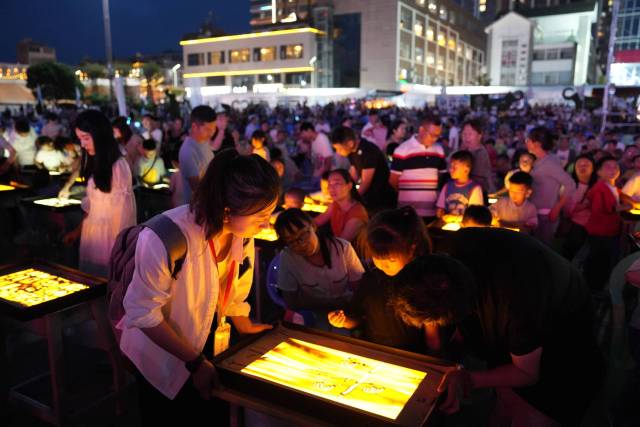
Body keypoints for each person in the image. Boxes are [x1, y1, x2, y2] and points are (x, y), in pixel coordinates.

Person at [119, 150, 278, 425]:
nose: (266, 224)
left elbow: (233, 289)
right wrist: (194, 362)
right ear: (226, 211)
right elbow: (143, 313)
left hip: (209, 343)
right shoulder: (165, 237)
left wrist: (246, 326)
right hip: (162, 354)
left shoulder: (242, 233)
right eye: (260, 216)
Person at [391, 229, 603, 426]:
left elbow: (526, 373)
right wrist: (439, 355)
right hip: (524, 297)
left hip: (564, 332)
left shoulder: (518, 305)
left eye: (434, 322)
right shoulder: (444, 256)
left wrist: (468, 379)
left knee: (527, 415)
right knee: (502, 402)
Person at [328, 207, 431, 352]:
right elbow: (358, 316)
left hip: (411, 354)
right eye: (377, 257)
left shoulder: (423, 282)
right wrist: (344, 320)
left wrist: (433, 355)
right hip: (374, 350)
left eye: (391, 259)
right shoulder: (372, 279)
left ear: (411, 249)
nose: (383, 265)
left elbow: (432, 332)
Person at [60, 110, 137, 277]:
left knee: (104, 283)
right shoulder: (98, 162)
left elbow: (124, 216)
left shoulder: (118, 167)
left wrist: (120, 255)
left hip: (109, 242)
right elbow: (92, 209)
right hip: (92, 236)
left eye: (86, 138)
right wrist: (77, 232)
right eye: (80, 139)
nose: (82, 144)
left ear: (100, 135)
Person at [274, 209, 364, 330]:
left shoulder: (342, 248)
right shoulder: (288, 257)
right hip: (312, 314)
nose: (301, 244)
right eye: (291, 241)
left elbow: (359, 290)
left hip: (344, 311)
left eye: (303, 235)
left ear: (313, 226)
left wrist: (348, 315)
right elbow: (291, 301)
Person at [390, 114, 446, 221]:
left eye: (438, 136)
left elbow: (441, 178)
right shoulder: (402, 150)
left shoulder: (439, 150)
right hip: (407, 212)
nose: (435, 139)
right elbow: (393, 181)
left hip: (431, 212)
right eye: (432, 135)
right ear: (421, 130)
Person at [526, 126, 576, 245]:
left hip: (545, 214)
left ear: (536, 144)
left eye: (528, 140)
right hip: (536, 211)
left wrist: (557, 208)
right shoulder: (542, 160)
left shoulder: (549, 163)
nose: (526, 142)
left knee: (542, 248)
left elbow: (570, 184)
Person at [584, 156, 626, 291]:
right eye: (608, 167)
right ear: (599, 172)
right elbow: (606, 208)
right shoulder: (600, 188)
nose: (613, 170)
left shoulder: (612, 187)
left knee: (602, 259)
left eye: (615, 167)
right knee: (600, 260)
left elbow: (622, 197)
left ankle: (596, 285)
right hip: (601, 231)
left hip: (609, 230)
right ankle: (594, 287)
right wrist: (627, 206)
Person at [331, 126, 396, 213]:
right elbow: (353, 176)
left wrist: (349, 200)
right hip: (369, 198)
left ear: (350, 143)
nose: (338, 152)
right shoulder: (351, 152)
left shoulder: (368, 151)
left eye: (339, 149)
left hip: (381, 199)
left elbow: (365, 183)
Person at [314, 169, 368, 245]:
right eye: (329, 184)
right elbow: (316, 222)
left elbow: (341, 243)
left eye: (337, 184)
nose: (331, 188)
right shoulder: (335, 205)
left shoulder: (357, 214)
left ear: (349, 186)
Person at [179, 106, 217, 204]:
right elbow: (198, 188)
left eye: (214, 128)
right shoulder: (188, 151)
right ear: (194, 126)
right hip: (198, 207)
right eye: (208, 129)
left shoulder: (204, 142)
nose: (212, 133)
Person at [562, 155, 597, 262]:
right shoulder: (569, 185)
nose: (583, 167)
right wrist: (585, 205)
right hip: (576, 225)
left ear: (593, 168)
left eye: (586, 165)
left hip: (595, 226)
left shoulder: (598, 185)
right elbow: (568, 211)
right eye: (579, 165)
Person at [436, 150, 483, 218]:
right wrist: (440, 213)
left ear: (466, 170)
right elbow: (440, 210)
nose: (450, 170)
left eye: (454, 168)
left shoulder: (474, 189)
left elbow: (475, 215)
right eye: (450, 167)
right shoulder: (447, 186)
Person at [461, 118, 494, 195]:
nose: (466, 137)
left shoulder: (481, 153)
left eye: (470, 134)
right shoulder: (465, 150)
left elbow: (477, 178)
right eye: (464, 134)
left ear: (479, 136)